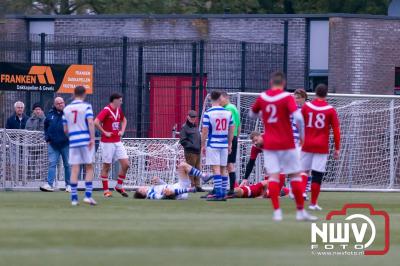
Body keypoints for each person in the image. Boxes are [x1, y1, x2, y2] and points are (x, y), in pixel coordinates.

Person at [249, 71, 316, 221]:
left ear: (271, 83)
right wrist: (303, 137)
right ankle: (300, 212)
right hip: (287, 143)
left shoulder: (263, 97)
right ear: (283, 83)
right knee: (296, 176)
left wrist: (263, 115)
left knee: (274, 177)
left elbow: (252, 115)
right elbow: (298, 117)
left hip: (271, 144)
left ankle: (277, 212)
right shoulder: (286, 97)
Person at [301, 84, 341, 211]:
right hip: (321, 146)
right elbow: (336, 130)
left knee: (303, 171)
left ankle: (301, 194)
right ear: (326, 94)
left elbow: (299, 123)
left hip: (306, 143)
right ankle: (313, 203)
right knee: (317, 175)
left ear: (315, 93)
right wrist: (337, 148)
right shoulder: (330, 110)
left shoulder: (306, 107)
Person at [62, 86, 97, 206]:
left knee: (75, 168)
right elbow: (91, 122)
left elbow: (65, 129)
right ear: (84, 94)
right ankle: (88, 196)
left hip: (73, 141)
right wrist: (92, 138)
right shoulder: (86, 106)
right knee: (89, 167)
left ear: (73, 93)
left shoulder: (67, 109)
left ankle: (74, 199)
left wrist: (72, 135)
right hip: (85, 140)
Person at [94, 92, 130, 198]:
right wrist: (104, 132)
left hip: (117, 141)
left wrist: (122, 130)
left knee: (126, 164)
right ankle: (106, 191)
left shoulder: (118, 110)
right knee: (107, 165)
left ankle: (119, 186)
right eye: (120, 100)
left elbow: (124, 120)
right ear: (115, 100)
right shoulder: (106, 110)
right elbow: (96, 122)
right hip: (107, 142)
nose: (121, 102)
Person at [201, 90, 234, 201]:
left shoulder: (208, 113)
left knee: (216, 169)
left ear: (210, 99)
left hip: (213, 143)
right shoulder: (228, 113)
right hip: (224, 143)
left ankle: (219, 194)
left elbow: (205, 131)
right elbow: (231, 129)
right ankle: (223, 193)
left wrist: (203, 145)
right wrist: (229, 143)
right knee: (223, 169)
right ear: (220, 99)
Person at [40, 97, 71, 192]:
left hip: (66, 144)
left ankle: (69, 185)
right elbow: (45, 127)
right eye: (58, 103)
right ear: (54, 105)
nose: (61, 104)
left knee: (67, 164)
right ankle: (49, 184)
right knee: (52, 164)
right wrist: (47, 138)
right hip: (53, 145)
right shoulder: (49, 115)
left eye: (62, 102)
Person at [133, 162, 206, 200]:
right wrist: (165, 195)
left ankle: (203, 176)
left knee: (182, 165)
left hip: (178, 187)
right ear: (142, 192)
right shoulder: (149, 193)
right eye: (140, 188)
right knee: (182, 166)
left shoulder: (152, 188)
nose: (142, 186)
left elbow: (166, 186)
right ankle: (189, 189)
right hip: (177, 192)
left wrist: (160, 181)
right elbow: (158, 197)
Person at [220, 91, 241, 197]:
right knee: (228, 164)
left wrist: (230, 141)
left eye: (220, 99)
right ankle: (230, 189)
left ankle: (229, 189)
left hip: (229, 138)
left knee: (226, 164)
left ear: (225, 98)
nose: (219, 102)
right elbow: (239, 125)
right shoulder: (233, 108)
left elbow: (231, 125)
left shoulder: (229, 108)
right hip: (233, 138)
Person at [179, 110, 203, 192]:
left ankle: (197, 185)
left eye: (194, 117)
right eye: (191, 117)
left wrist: (199, 147)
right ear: (188, 117)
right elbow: (183, 141)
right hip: (190, 152)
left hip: (197, 151)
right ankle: (192, 186)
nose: (193, 118)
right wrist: (192, 146)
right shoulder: (184, 127)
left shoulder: (195, 127)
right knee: (191, 169)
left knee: (197, 169)